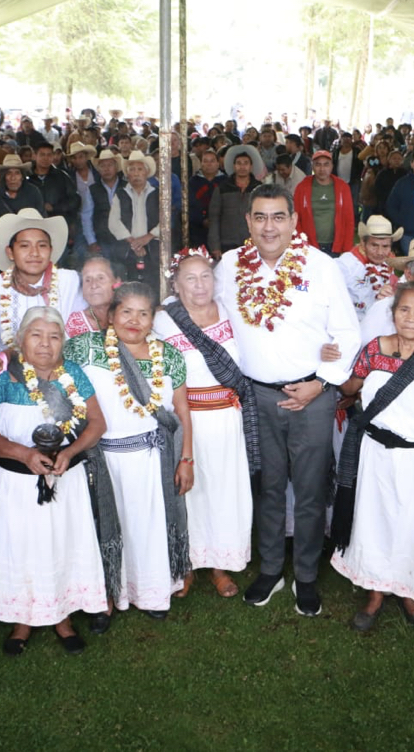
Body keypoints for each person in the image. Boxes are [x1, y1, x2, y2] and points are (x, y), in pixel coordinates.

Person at [214, 184, 360, 616]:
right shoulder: (229, 266)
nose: (269, 227)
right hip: (257, 395)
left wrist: (323, 382)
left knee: (311, 490)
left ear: (294, 221)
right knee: (268, 487)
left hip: (312, 395)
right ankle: (271, 569)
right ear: (248, 221)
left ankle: (307, 576)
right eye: (260, 217)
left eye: (278, 217)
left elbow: (347, 332)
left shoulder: (321, 266)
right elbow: (207, 312)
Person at [331, 281, 414, 632]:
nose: (411, 317)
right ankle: (375, 592)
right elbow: (350, 387)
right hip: (378, 455)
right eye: (404, 309)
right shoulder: (374, 350)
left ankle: (411, 591)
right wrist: (333, 359)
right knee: (376, 523)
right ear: (393, 313)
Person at [0, 306, 109, 655]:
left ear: (63, 342)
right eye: (36, 335)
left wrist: (70, 452)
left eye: (54, 337)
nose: (45, 344)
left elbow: (97, 423)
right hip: (14, 483)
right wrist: (24, 454)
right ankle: (22, 619)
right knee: (20, 546)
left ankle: (62, 616)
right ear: (21, 340)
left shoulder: (73, 374)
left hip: (65, 479)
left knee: (61, 543)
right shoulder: (3, 377)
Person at [63, 282, 194, 619]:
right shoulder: (84, 348)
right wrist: (4, 358)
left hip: (151, 461)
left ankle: (151, 593)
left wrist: (186, 459)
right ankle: (105, 598)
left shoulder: (168, 355)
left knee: (146, 529)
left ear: (153, 319)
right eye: (126, 312)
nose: (134, 321)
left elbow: (181, 411)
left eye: (143, 314)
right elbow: (43, 359)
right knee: (103, 526)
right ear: (111, 315)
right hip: (100, 460)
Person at [154, 249, 257, 598]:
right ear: (176, 285)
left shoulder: (231, 312)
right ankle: (186, 565)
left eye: (205, 276)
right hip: (188, 421)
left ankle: (220, 565)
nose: (199, 285)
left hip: (228, 418)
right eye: (190, 278)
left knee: (225, 491)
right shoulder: (163, 322)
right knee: (189, 493)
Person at [0, 209, 83, 352]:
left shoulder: (70, 281)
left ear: (50, 250)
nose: (35, 253)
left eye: (42, 245)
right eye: (25, 246)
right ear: (10, 253)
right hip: (11, 364)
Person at [107, 150, 163, 285]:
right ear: (127, 174)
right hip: (127, 249)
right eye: (132, 170)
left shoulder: (158, 194)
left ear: (146, 172)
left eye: (140, 169)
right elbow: (113, 222)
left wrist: (148, 237)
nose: (136, 173)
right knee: (129, 284)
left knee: (153, 284)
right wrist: (134, 243)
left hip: (153, 248)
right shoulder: (121, 194)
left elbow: (166, 221)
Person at [293, 150, 355, 256]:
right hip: (309, 245)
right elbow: (296, 218)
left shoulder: (342, 187)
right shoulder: (302, 187)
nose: (322, 169)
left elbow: (349, 220)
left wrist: (347, 249)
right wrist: (301, 243)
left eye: (326, 164)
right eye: (318, 165)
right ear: (312, 167)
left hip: (334, 246)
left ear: (332, 166)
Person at [337, 216, 400, 318]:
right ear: (363, 243)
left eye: (385, 246)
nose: (380, 252)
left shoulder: (389, 262)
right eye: (374, 245)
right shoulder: (346, 264)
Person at [207, 145, 264, 257]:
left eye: (246, 163)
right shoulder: (222, 188)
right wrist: (215, 246)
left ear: (251, 166)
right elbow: (214, 218)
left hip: (253, 243)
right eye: (239, 163)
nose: (242, 167)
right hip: (227, 243)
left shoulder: (259, 189)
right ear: (234, 166)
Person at [83, 149, 125, 259]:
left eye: (110, 165)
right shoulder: (92, 189)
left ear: (116, 167)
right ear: (98, 169)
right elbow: (86, 217)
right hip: (102, 239)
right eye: (103, 166)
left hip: (125, 238)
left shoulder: (126, 186)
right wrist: (91, 241)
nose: (106, 169)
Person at [0, 155, 44, 233]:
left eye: (17, 173)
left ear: (22, 176)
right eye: (8, 173)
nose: (13, 178)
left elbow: (42, 218)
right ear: (4, 176)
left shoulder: (33, 192)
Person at [65, 255, 118, 338]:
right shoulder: (75, 324)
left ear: (117, 282)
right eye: (87, 280)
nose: (94, 285)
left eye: (101, 278)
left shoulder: (129, 316)